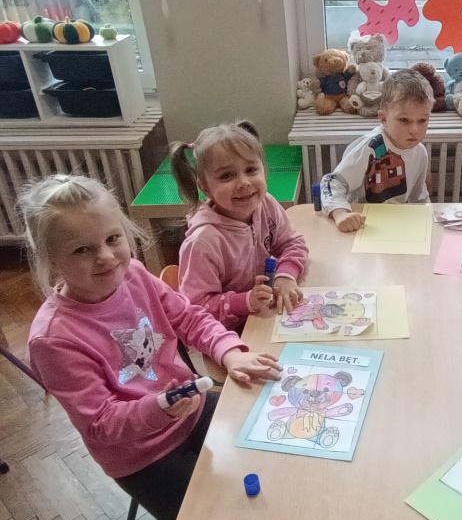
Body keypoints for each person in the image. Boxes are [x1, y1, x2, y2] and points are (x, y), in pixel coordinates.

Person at [20, 175, 284, 520]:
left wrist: (229, 352)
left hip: (190, 408)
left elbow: (189, 317)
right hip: (142, 456)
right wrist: (159, 409)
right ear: (51, 260)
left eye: (113, 239)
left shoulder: (134, 274)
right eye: (82, 250)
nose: (106, 257)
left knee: (273, 451)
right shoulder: (53, 340)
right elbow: (100, 424)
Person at [173, 120, 309, 330]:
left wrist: (285, 276)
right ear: (205, 187)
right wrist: (245, 301)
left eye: (251, 169)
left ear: (264, 170)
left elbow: (293, 243)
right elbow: (196, 308)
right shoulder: (202, 242)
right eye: (227, 175)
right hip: (227, 334)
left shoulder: (266, 204)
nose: (244, 182)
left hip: (263, 316)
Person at [320, 68, 434, 233]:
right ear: (383, 118)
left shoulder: (420, 152)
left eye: (423, 120)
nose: (415, 130)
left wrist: (430, 220)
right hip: (360, 226)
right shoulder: (369, 148)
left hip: (395, 226)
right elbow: (331, 182)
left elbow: (419, 197)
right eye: (404, 120)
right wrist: (340, 214)